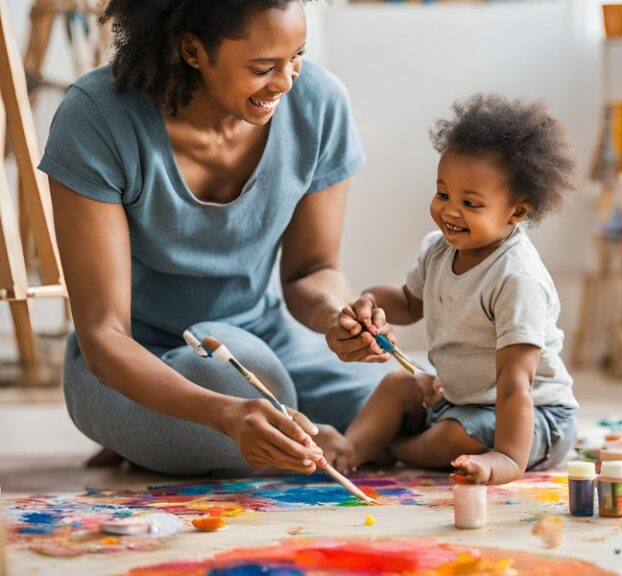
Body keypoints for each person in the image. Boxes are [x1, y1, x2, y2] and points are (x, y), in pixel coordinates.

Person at [41, 0, 391, 477]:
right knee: (240, 385)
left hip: (270, 343)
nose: (286, 82)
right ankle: (264, 427)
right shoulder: (97, 118)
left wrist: (340, 319)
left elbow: (313, 271)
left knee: (423, 400)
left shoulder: (319, 104)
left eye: (296, 57)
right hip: (137, 363)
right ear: (192, 50)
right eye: (263, 67)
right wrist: (226, 415)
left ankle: (260, 429)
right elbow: (104, 334)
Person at [330, 95, 579, 484]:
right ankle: (351, 449)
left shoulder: (517, 279)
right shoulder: (439, 249)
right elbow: (409, 302)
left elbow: (515, 384)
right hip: (460, 399)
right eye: (443, 194)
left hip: (532, 418)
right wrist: (370, 302)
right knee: (398, 385)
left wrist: (506, 459)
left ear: (516, 212)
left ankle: (395, 449)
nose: (449, 211)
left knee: (457, 436)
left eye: (470, 203)